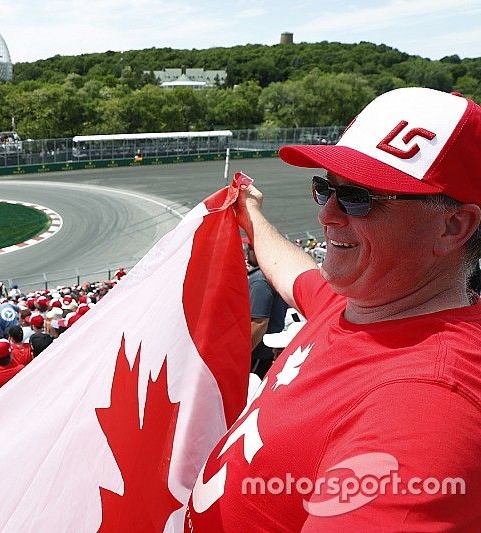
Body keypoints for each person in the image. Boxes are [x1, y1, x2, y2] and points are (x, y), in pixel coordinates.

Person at [189, 87, 481, 529]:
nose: (327, 215)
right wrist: (252, 215)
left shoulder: (426, 407)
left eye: (358, 197)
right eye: (324, 188)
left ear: (454, 226)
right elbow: (294, 272)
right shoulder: (364, 303)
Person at [246, 245, 288, 378]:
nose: (247, 251)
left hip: (257, 352)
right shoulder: (269, 275)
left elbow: (259, 322)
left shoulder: (260, 281)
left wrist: (241, 355)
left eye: (251, 248)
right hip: (266, 348)